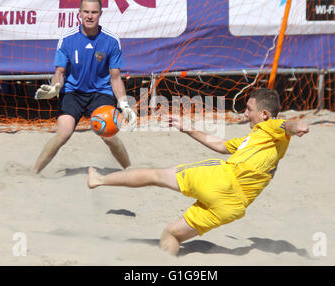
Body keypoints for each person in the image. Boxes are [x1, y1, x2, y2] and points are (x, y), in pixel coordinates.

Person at [87, 88, 309, 256]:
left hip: (221, 180)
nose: (244, 113)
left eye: (249, 109)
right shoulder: (254, 140)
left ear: (264, 114)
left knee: (156, 176)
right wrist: (189, 128)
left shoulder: (269, 126)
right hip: (232, 207)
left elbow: (286, 125)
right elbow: (221, 145)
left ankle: (99, 179)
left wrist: (296, 126)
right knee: (171, 234)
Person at [33, 0, 136, 174]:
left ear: (100, 14)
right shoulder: (67, 39)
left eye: (94, 12)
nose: (89, 16)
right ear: (79, 13)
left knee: (109, 136)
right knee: (63, 133)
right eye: (86, 11)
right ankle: (33, 172)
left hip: (100, 93)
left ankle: (131, 170)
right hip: (72, 92)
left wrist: (124, 104)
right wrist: (54, 88)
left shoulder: (111, 40)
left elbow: (115, 77)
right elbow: (59, 72)